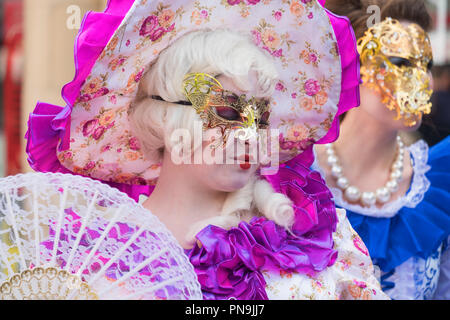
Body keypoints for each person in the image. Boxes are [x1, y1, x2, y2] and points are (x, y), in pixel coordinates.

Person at [26, 0, 388, 300]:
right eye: (228, 112)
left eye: (259, 115)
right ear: (164, 116)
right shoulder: (97, 256)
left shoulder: (311, 230)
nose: (250, 135)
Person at [314, 0, 450, 299]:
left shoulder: (437, 188)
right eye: (401, 64)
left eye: (426, 65)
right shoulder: (292, 177)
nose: (422, 81)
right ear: (352, 64)